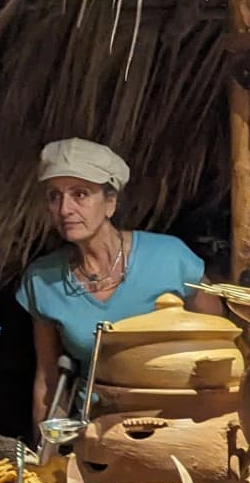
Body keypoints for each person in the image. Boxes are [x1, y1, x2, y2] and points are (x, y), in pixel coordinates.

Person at [15, 137, 217, 435]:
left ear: (110, 203)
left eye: (80, 194)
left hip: (177, 427)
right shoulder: (43, 280)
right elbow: (47, 378)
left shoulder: (171, 258)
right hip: (97, 433)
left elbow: (221, 344)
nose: (64, 209)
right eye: (54, 196)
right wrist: (45, 456)